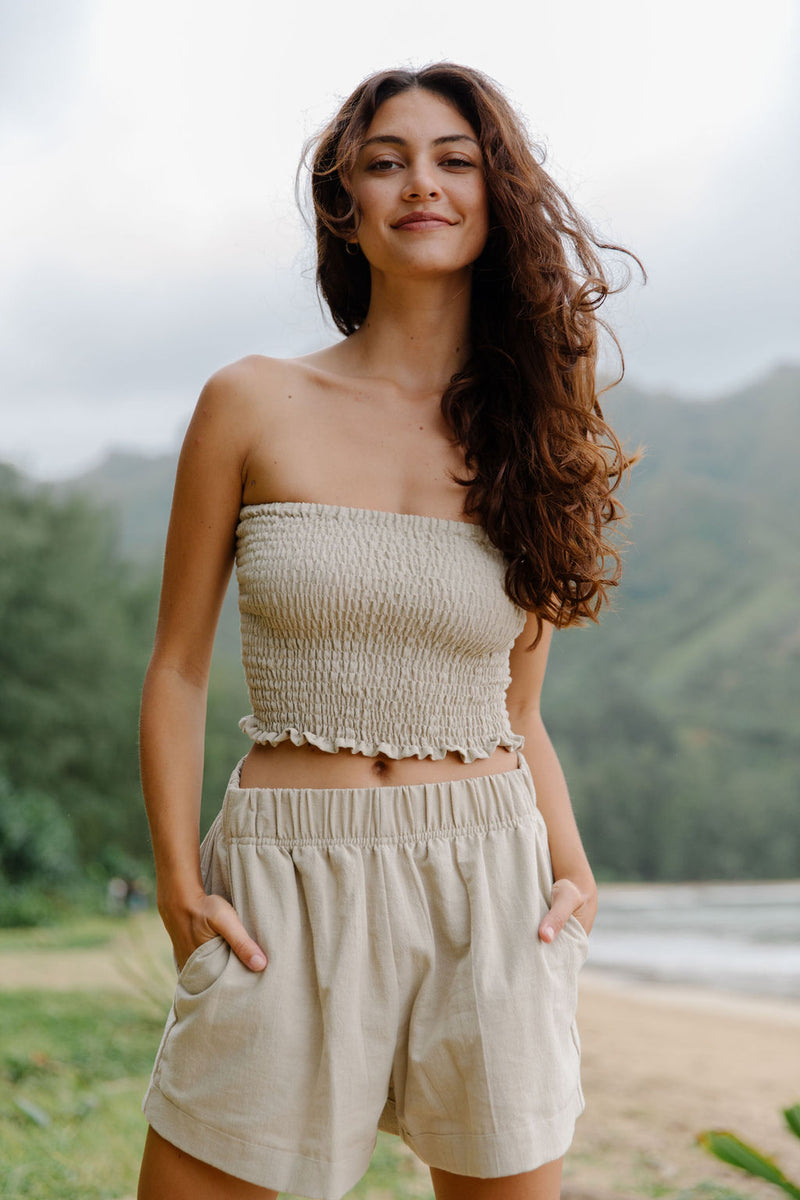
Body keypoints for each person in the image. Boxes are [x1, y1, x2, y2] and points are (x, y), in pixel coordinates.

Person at [136, 62, 644, 1200]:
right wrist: (179, 879)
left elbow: (519, 712)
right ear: (343, 205)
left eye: (454, 159)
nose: (423, 182)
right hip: (283, 878)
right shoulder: (250, 402)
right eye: (386, 160)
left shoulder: (535, 437)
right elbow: (175, 668)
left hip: (490, 885)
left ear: (492, 193)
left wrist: (570, 869)